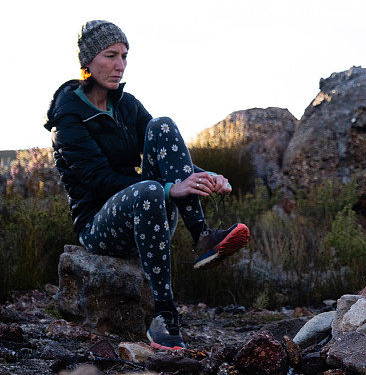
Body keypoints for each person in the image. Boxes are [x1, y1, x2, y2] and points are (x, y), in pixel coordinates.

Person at [44, 20, 249, 351]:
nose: (120, 65)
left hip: (148, 215)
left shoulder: (126, 104)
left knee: (162, 126)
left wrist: (206, 176)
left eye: (124, 56)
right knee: (152, 190)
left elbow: (168, 156)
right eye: (111, 56)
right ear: (88, 61)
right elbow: (100, 181)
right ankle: (164, 317)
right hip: (99, 227)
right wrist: (169, 190)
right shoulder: (68, 119)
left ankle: (202, 237)